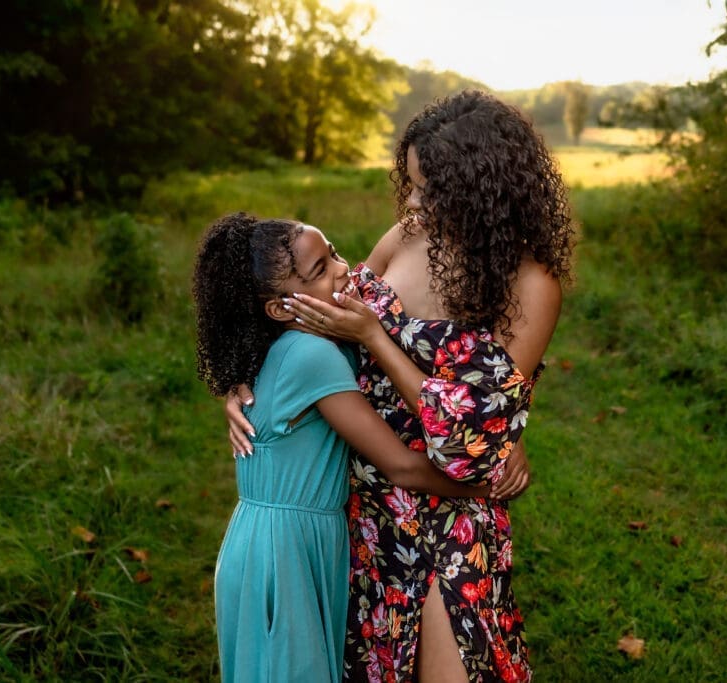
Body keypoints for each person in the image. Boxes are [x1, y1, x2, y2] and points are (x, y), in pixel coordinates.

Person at [228, 90, 575, 682]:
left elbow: (473, 431)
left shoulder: (532, 285)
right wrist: (243, 381)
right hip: (364, 499)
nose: (412, 201)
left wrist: (380, 340)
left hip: (452, 503)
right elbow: (318, 318)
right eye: (410, 183)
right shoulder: (405, 238)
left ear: (479, 189)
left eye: (427, 188)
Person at [193, 212, 498, 683]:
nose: (342, 269)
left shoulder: (284, 343)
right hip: (287, 548)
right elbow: (399, 466)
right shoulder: (312, 355)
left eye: (333, 252)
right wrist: (488, 487)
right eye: (320, 270)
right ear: (280, 308)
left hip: (262, 537)